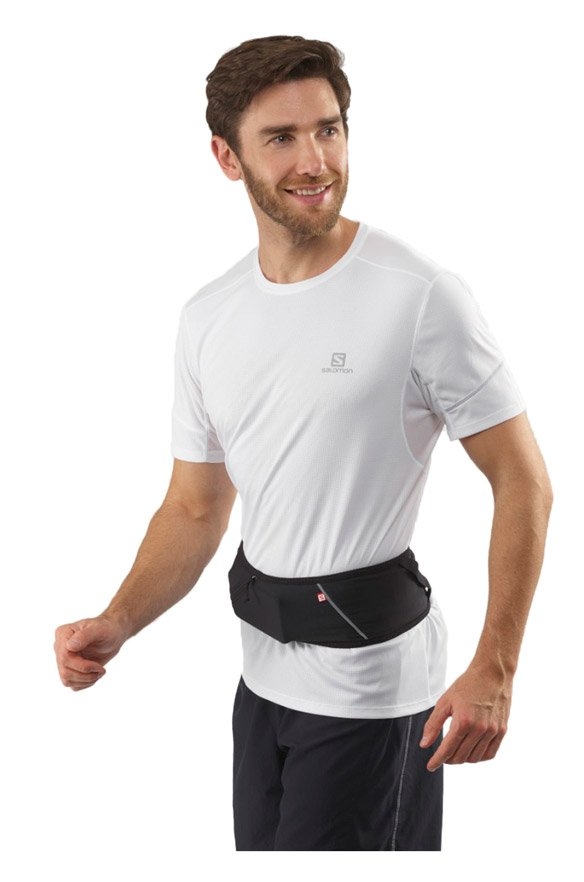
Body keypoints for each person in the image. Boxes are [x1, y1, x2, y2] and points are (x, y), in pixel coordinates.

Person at [54, 35, 553, 851]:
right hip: (262, 683)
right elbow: (194, 508)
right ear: (227, 157)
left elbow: (523, 481)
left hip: (372, 696)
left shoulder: (420, 295)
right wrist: (119, 620)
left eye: (329, 129)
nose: (314, 160)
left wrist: (495, 667)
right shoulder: (209, 316)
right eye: (281, 138)